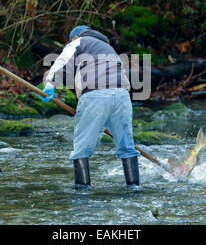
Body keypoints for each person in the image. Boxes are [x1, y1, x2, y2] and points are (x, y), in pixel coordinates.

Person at [38, 25, 140, 189]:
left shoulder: (79, 41)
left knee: (82, 148)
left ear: (74, 37)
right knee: (127, 146)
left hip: (95, 95)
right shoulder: (108, 48)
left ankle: (82, 191)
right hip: (122, 95)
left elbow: (63, 61)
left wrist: (50, 83)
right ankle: (134, 187)